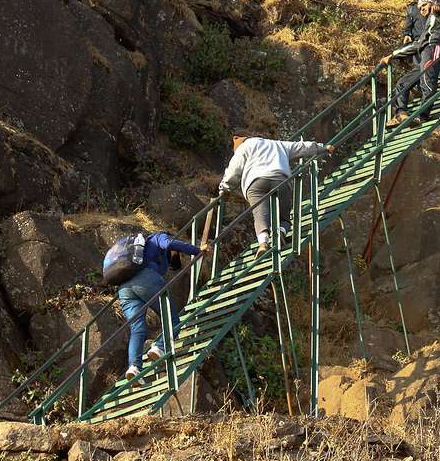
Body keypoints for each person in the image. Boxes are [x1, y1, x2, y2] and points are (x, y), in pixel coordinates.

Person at [118, 231, 207, 384]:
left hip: (124, 288)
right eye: (177, 253)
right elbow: (170, 244)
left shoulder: (141, 253)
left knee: (137, 329)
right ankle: (159, 346)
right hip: (145, 280)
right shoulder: (158, 237)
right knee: (173, 321)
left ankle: (134, 367)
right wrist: (198, 250)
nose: (177, 255)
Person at [219, 134, 333, 253]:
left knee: (260, 214)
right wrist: (323, 148)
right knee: (284, 217)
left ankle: (263, 243)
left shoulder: (244, 147)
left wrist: (224, 189)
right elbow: (301, 147)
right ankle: (280, 233)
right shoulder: (277, 144)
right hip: (280, 179)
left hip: (255, 183)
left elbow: (234, 170)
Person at [381, 0, 440, 128]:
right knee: (403, 83)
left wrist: (439, 6)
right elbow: (417, 45)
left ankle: (422, 116)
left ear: (431, 3)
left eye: (424, 5)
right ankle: (401, 114)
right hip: (425, 53)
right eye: (420, 8)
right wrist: (393, 55)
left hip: (435, 48)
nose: (422, 9)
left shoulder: (439, 15)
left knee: (427, 82)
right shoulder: (428, 25)